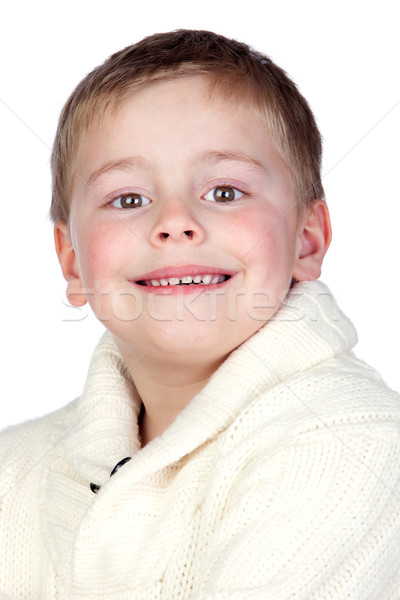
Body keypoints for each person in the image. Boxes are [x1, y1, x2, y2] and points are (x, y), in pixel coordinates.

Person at [1, 29, 399, 600]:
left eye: (226, 192)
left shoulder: (351, 446)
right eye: (128, 199)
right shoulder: (15, 471)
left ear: (307, 240)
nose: (175, 221)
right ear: (72, 263)